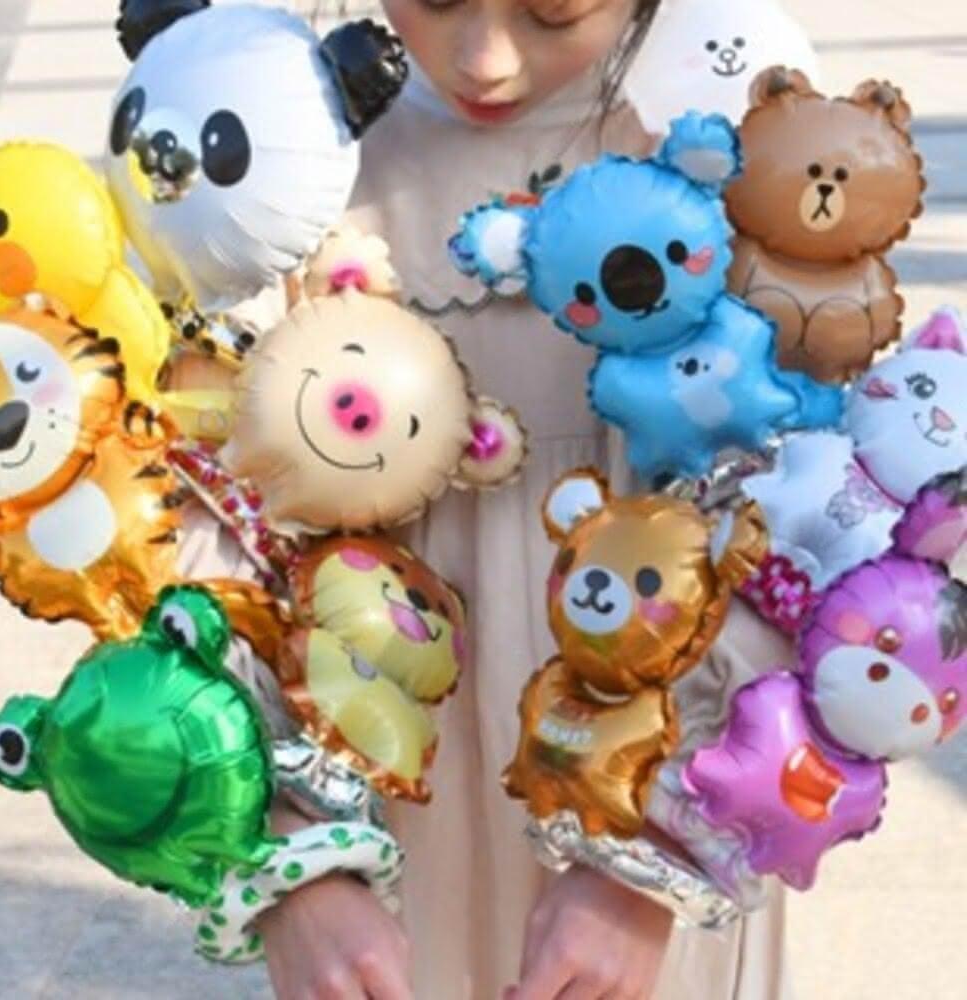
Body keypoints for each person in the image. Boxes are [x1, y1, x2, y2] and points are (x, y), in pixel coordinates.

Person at [251, 1, 797, 997]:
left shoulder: (742, 137)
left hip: (660, 809)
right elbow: (208, 539)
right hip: (388, 820)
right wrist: (294, 858)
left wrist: (656, 856)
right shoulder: (285, 154)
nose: (486, 61)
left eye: (554, 9)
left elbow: (809, 541)